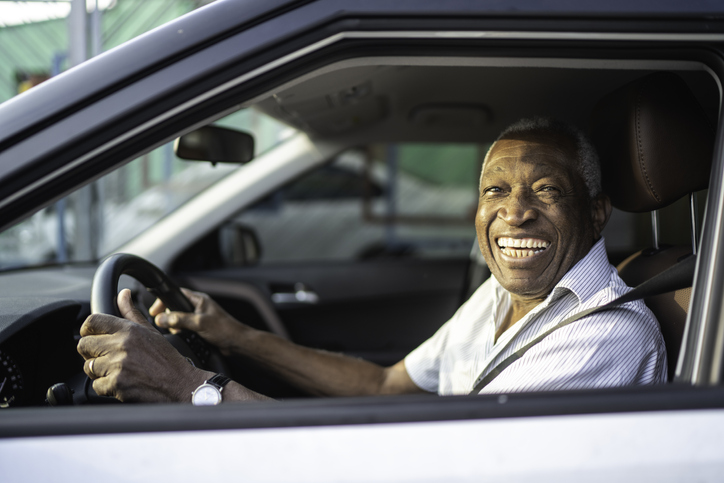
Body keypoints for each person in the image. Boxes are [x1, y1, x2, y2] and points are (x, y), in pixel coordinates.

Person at [77, 118, 667, 404]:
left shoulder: (603, 334)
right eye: (495, 190)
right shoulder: (503, 294)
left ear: (596, 214)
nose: (514, 214)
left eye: (546, 191)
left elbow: (423, 467)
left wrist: (187, 383)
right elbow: (387, 384)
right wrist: (233, 335)